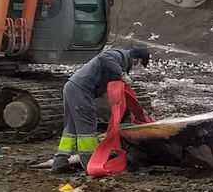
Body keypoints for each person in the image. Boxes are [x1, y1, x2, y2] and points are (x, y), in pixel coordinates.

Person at [34, 44, 151, 173]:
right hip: (81, 91)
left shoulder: (121, 60)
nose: (137, 66)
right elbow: (104, 56)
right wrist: (121, 73)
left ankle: (60, 163)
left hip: (73, 88)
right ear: (137, 58)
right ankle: (90, 164)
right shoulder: (119, 55)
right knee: (87, 127)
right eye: (140, 63)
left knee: (71, 129)